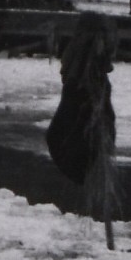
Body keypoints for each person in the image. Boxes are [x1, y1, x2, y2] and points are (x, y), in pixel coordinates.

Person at [46, 12, 117, 185]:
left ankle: (79, 181)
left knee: (65, 136)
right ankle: (81, 181)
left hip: (82, 90)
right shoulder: (91, 45)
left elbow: (73, 67)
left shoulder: (84, 44)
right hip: (86, 91)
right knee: (80, 138)